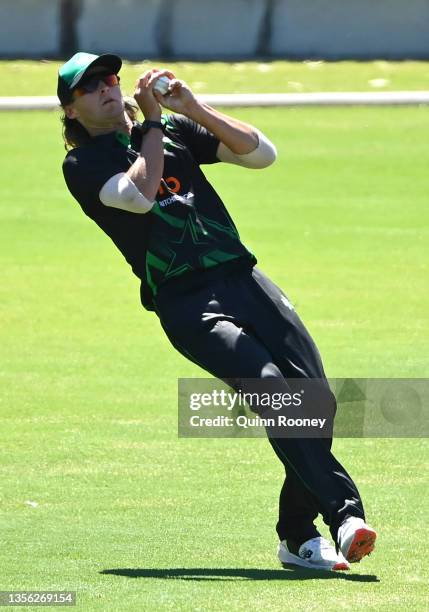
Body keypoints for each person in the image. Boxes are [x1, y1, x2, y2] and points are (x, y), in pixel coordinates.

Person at [57, 52, 377, 571]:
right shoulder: (83, 164)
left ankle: (297, 538)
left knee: (315, 399)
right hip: (187, 301)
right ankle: (344, 517)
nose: (106, 88)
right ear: (71, 111)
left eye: (110, 79)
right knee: (273, 388)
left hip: (244, 279)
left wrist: (193, 107)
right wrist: (154, 125)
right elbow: (138, 196)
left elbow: (261, 154)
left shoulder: (177, 128)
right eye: (89, 87)